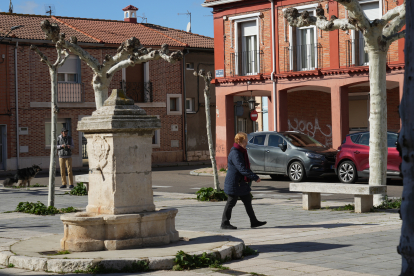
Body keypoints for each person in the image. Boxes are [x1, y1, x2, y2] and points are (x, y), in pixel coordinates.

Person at [221, 132, 267, 230]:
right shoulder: (235, 153)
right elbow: (241, 168)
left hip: (240, 183)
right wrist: (254, 177)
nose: (246, 143)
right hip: (234, 183)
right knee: (231, 202)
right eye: (245, 141)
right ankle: (224, 223)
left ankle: (254, 221)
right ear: (239, 141)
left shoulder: (241, 152)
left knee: (247, 200)